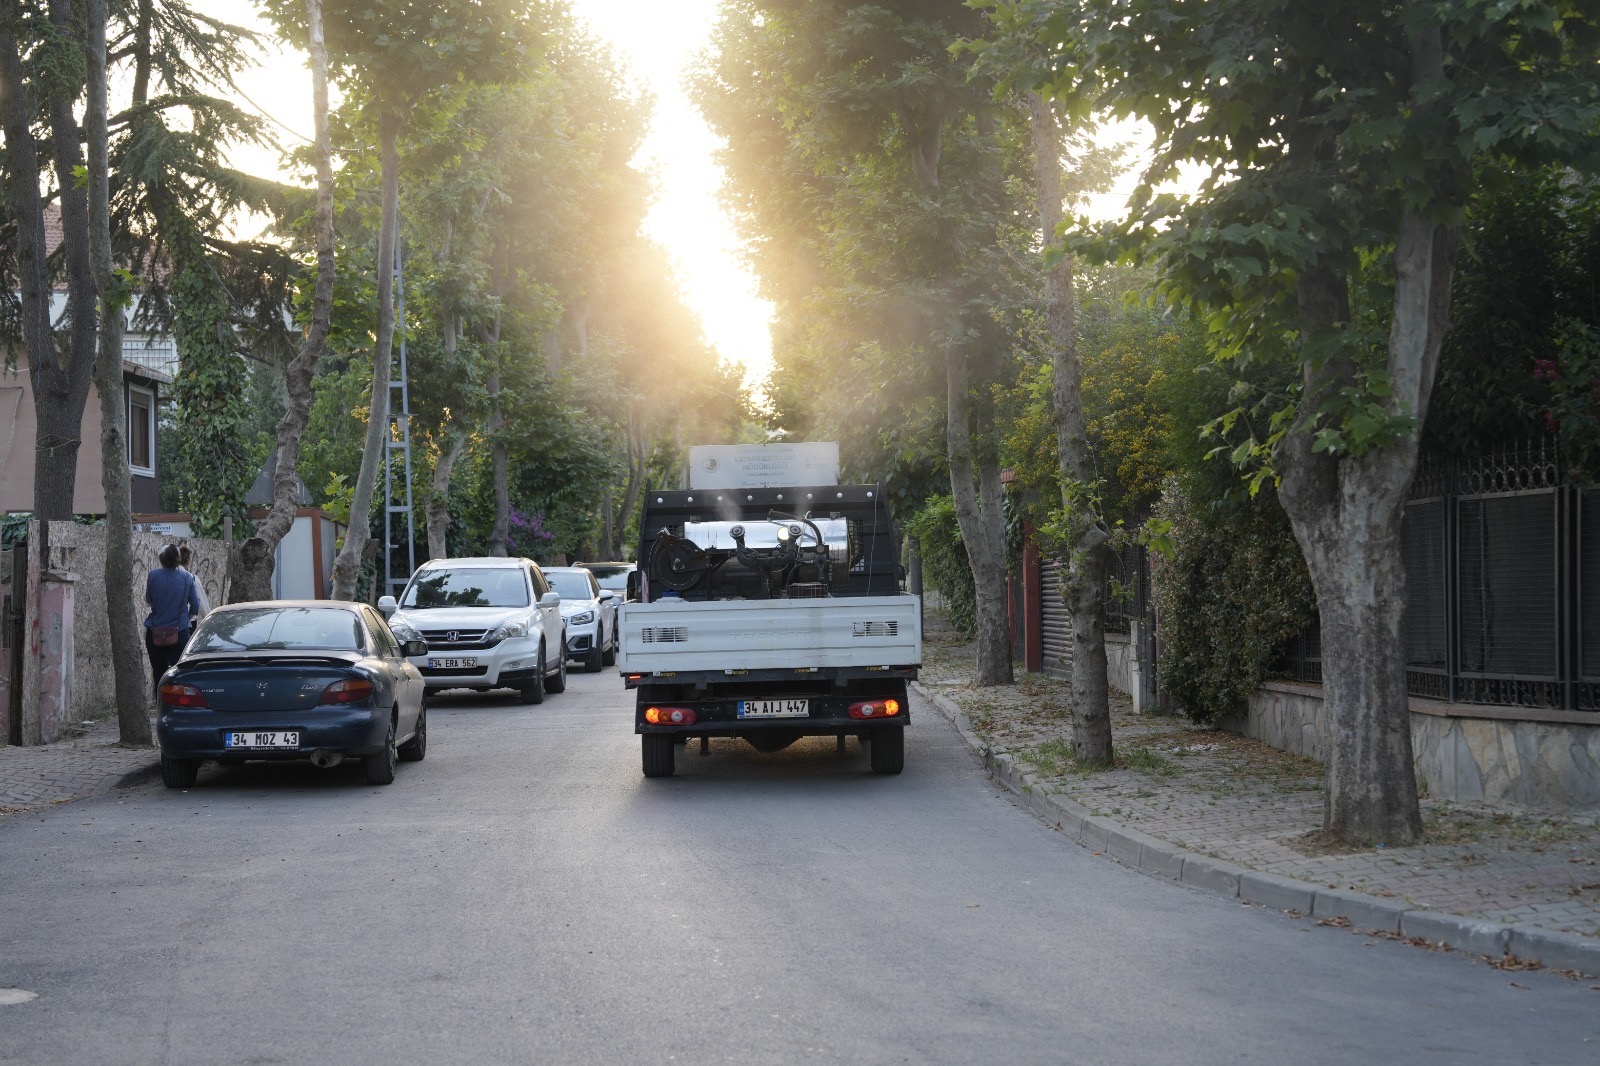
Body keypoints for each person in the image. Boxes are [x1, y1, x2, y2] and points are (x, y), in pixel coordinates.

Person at [145, 544, 202, 700]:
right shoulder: (187, 577)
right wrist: (186, 618)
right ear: (178, 559)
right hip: (180, 630)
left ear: (161, 559)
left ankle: (160, 701)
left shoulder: (153, 576)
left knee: (158, 669)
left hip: (155, 630)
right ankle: (177, 701)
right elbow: (195, 605)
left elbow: (149, 599)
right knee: (179, 670)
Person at [177, 544, 211, 627]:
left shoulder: (169, 577)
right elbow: (201, 603)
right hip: (188, 622)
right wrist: (209, 620)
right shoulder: (192, 579)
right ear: (188, 561)